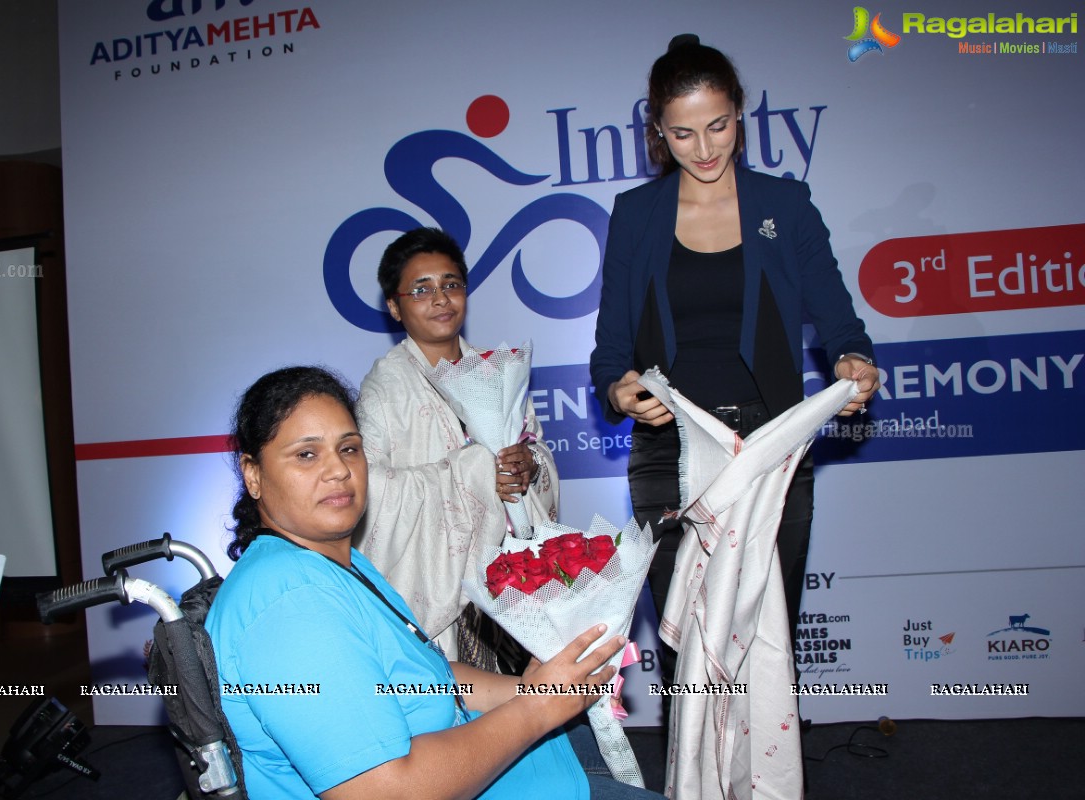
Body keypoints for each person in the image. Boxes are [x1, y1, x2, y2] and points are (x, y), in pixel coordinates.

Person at [205, 366, 660, 799]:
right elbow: (385, 790)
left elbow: (428, 678)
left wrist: (535, 690)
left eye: (348, 448)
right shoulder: (291, 606)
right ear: (253, 475)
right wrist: (539, 708)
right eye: (306, 454)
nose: (339, 470)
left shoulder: (332, 563)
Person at [589, 36, 881, 673]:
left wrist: (854, 361)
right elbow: (611, 348)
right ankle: (692, 776)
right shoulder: (635, 215)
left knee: (767, 635)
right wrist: (617, 389)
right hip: (670, 448)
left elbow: (840, 323)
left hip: (771, 443)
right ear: (659, 133)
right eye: (683, 134)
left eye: (718, 126)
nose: (705, 148)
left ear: (740, 115)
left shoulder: (785, 204)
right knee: (685, 641)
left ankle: (770, 774)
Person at [354, 227, 559, 670]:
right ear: (395, 306)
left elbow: (537, 453)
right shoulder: (384, 390)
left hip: (516, 570)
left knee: (540, 702)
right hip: (442, 585)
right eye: (421, 289)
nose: (441, 299)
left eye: (451, 284)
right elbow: (370, 492)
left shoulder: (499, 371)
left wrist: (529, 465)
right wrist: (473, 472)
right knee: (469, 724)